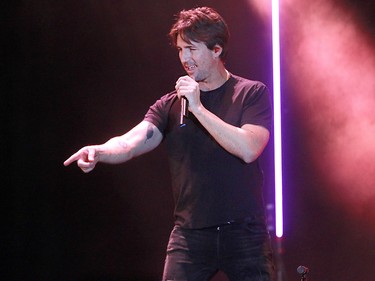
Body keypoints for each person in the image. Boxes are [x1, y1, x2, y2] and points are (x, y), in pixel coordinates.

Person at [64, 6, 274, 281]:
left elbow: (249, 149)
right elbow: (130, 142)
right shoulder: (171, 105)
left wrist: (198, 109)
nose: (185, 58)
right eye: (180, 50)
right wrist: (100, 151)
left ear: (216, 50)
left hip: (245, 233)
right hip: (190, 236)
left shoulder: (249, 93)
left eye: (191, 49)